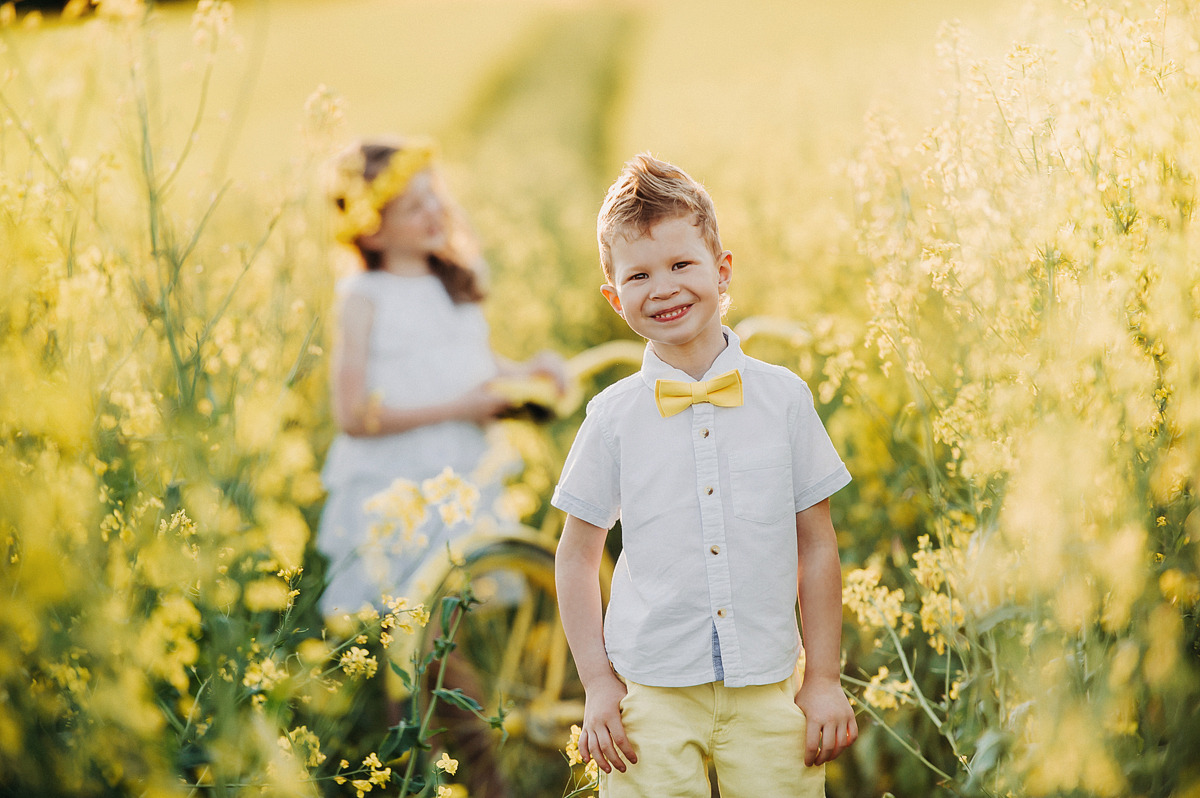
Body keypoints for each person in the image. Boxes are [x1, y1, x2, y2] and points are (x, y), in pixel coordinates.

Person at [552, 154, 858, 798]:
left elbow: (817, 544)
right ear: (614, 298)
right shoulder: (612, 418)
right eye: (639, 274)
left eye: (681, 264)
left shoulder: (784, 399)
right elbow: (578, 556)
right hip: (651, 690)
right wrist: (599, 684)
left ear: (721, 271)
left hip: (771, 683)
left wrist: (823, 678)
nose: (663, 287)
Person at [318, 137, 564, 798]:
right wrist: (463, 404)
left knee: (427, 652)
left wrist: (527, 373)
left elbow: (474, 371)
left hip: (456, 481)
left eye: (434, 195)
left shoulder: (449, 281)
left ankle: (432, 779)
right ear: (370, 224)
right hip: (395, 487)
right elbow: (351, 413)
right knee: (421, 648)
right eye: (412, 204)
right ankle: (478, 780)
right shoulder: (363, 294)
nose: (434, 211)